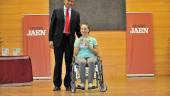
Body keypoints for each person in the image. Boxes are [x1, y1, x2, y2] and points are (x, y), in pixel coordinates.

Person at [49, 0, 82, 91]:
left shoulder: (76, 14)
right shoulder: (56, 11)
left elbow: (78, 30)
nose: (69, 2)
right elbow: (52, 26)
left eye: (71, 1)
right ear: (64, 1)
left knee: (69, 64)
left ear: (73, 3)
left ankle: (68, 84)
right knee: (58, 62)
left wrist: (82, 40)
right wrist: (50, 40)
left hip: (70, 40)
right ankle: (57, 84)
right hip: (58, 40)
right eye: (68, 0)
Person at [74, 23, 98, 90]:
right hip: (80, 56)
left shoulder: (93, 39)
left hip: (91, 56)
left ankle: (90, 83)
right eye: (82, 29)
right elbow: (75, 53)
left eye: (85, 29)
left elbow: (97, 53)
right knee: (82, 62)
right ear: (80, 30)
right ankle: (82, 83)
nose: (83, 30)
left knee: (91, 61)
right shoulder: (77, 40)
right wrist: (79, 43)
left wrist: (89, 46)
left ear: (88, 30)